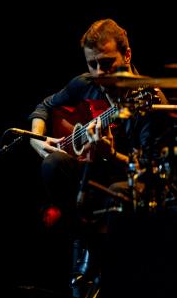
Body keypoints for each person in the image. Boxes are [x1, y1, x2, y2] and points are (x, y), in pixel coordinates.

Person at [28, 18, 169, 296]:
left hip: (131, 185)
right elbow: (44, 107)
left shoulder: (149, 98)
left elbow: (151, 172)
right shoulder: (86, 83)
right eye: (92, 64)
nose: (99, 73)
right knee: (53, 163)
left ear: (127, 55)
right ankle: (89, 246)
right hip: (91, 179)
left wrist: (111, 154)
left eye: (106, 63)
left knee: (118, 193)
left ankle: (102, 265)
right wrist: (37, 139)